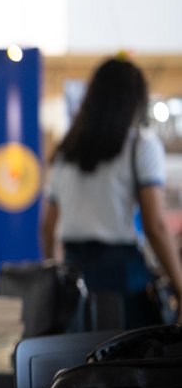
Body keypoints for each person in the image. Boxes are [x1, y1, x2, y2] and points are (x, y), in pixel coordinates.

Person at [41, 56, 182, 329]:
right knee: (127, 353)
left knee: (79, 354)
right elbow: (154, 225)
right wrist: (180, 285)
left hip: (74, 273)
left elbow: (47, 228)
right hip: (123, 278)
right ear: (135, 101)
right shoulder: (140, 146)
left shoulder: (65, 153)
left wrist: (56, 276)